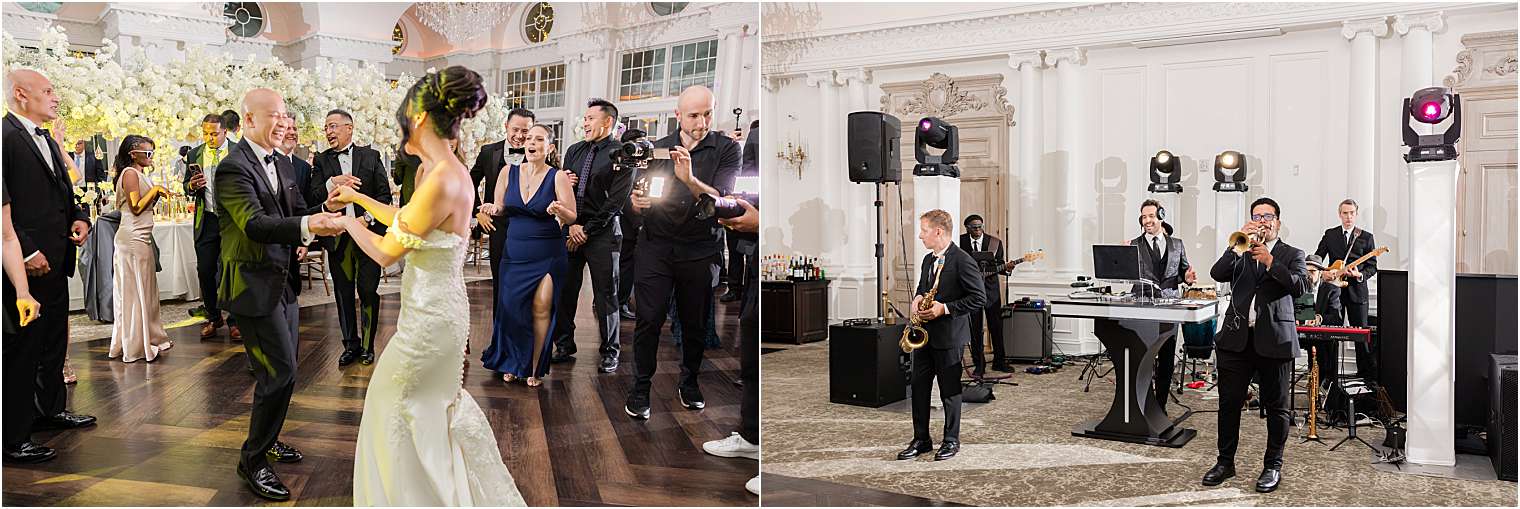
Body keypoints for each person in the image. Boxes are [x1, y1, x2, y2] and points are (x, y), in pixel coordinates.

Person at [328, 66, 525, 506]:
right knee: (419, 413)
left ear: (417, 118)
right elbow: (405, 221)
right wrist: (359, 199)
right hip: (432, 313)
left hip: (431, 324)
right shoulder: (441, 171)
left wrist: (345, 222)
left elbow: (385, 253)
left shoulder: (442, 179)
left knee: (391, 405)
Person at [217, 87, 346, 500]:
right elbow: (254, 224)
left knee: (284, 370)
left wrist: (318, 210)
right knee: (279, 372)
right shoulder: (231, 168)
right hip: (252, 284)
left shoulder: (284, 165)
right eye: (274, 115)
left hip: (282, 280)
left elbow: (289, 215)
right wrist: (310, 228)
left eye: (284, 114)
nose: (283, 122)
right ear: (250, 119)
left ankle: (268, 439)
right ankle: (252, 460)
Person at [624, 85, 741, 419]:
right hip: (656, 246)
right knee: (648, 320)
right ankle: (640, 388)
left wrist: (689, 179)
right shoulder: (658, 149)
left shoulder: (726, 149)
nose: (701, 122)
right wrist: (636, 203)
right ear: (678, 115)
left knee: (693, 323)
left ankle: (689, 382)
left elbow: (724, 199)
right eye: (693, 115)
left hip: (700, 249)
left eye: (707, 114)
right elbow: (637, 198)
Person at [2, 69, 97, 465]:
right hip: (24, 266)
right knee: (22, 352)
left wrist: (80, 216)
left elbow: (64, 188)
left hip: (57, 259)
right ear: (21, 95)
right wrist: (24, 252)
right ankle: (13, 436)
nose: (56, 98)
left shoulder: (46, 137)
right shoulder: (5, 138)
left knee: (54, 343)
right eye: (48, 90)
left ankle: (50, 410)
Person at [1203, 197, 1309, 494]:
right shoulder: (1241, 249)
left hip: (1274, 340)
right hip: (1236, 340)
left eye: (1268, 216)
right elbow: (1217, 273)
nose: (1262, 220)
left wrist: (1271, 262)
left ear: (1278, 222)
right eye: (1257, 216)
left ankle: (1273, 465)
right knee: (1228, 404)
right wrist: (1238, 244)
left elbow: (1300, 286)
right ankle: (1225, 463)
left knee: (1277, 408)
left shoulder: (1292, 253)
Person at [480, 124, 574, 387]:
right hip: (514, 252)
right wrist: (491, 208)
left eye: (539, 139)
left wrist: (559, 210)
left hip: (548, 253)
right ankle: (511, 361)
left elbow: (572, 215)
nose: (531, 142)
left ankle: (533, 366)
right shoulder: (507, 172)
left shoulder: (558, 177)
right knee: (512, 310)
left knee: (541, 308)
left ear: (550, 147)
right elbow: (500, 207)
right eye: (529, 138)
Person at [551, 98, 632, 373]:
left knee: (606, 294)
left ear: (607, 121)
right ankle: (564, 344)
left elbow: (616, 202)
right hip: (572, 228)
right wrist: (571, 221)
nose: (584, 123)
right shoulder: (573, 150)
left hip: (603, 234)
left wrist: (586, 230)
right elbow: (563, 191)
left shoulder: (623, 152)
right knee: (565, 290)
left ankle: (610, 351)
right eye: (584, 119)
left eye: (590, 118)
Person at [311, 109, 392, 367]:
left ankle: (368, 346)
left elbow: (384, 197)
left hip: (367, 235)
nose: (329, 132)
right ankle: (350, 345)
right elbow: (313, 195)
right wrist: (331, 182)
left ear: (349, 127)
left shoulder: (371, 156)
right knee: (343, 292)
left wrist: (366, 219)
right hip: (338, 236)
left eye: (333, 126)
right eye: (326, 128)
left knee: (367, 290)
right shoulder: (322, 161)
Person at [704, 194, 760, 495]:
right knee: (750, 360)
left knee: (763, 365)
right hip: (754, 263)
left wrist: (760, 222)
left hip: (765, 254)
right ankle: (752, 438)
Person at [107, 135, 173, 363]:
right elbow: (135, 207)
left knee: (144, 289)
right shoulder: (130, 174)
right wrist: (155, 191)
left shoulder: (138, 174)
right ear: (133, 153)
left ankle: (150, 336)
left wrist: (154, 194)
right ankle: (136, 343)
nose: (151, 157)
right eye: (148, 153)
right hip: (132, 238)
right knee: (135, 290)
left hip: (140, 237)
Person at [1128, 200, 1196, 413]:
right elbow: (1128, 275)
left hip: (1170, 306)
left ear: (1161, 216)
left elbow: (1184, 273)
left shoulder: (1177, 244)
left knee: (1166, 358)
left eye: (1150, 216)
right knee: (1143, 357)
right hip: (1142, 305)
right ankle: (1143, 402)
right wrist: (1120, 258)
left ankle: (1161, 406)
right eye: (1143, 217)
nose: (1147, 220)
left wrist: (1188, 277)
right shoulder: (1133, 244)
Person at [471, 107, 535, 313]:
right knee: (500, 278)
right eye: (515, 129)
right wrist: (477, 212)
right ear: (506, 126)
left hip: (527, 226)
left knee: (525, 281)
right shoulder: (489, 151)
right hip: (496, 225)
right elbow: (469, 183)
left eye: (525, 131)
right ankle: (500, 333)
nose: (519, 136)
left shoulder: (537, 153)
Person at [185, 113, 239, 340]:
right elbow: (186, 188)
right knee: (205, 270)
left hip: (232, 220)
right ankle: (213, 316)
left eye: (214, 133)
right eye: (206, 133)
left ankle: (235, 321)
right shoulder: (194, 154)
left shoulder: (239, 151)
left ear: (225, 131)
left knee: (232, 270)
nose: (210, 138)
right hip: (206, 219)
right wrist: (191, 185)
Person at [1313, 198, 1379, 377]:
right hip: (1333, 293)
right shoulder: (1330, 234)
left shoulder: (1366, 237)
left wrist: (1360, 275)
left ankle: (1365, 380)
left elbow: (1373, 266)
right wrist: (1323, 273)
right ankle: (1329, 378)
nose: (1348, 217)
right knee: (1330, 337)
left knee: (1361, 338)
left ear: (1356, 214)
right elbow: (1317, 259)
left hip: (1357, 293)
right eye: (1345, 213)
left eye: (1352, 213)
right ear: (1339, 214)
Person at [958, 214, 1011, 375]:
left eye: (980, 226)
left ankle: (999, 362)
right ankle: (979, 365)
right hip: (970, 292)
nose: (978, 230)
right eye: (974, 227)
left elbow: (1000, 265)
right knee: (975, 329)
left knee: (996, 326)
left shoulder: (995, 242)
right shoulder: (960, 242)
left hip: (991, 291)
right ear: (967, 228)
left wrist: (1007, 268)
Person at [278, 114, 315, 284]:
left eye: (294, 128)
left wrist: (305, 240)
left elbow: (306, 206)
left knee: (293, 289)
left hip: (294, 240)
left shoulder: (304, 168)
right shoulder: (263, 161)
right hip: (268, 241)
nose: (292, 132)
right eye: (287, 128)